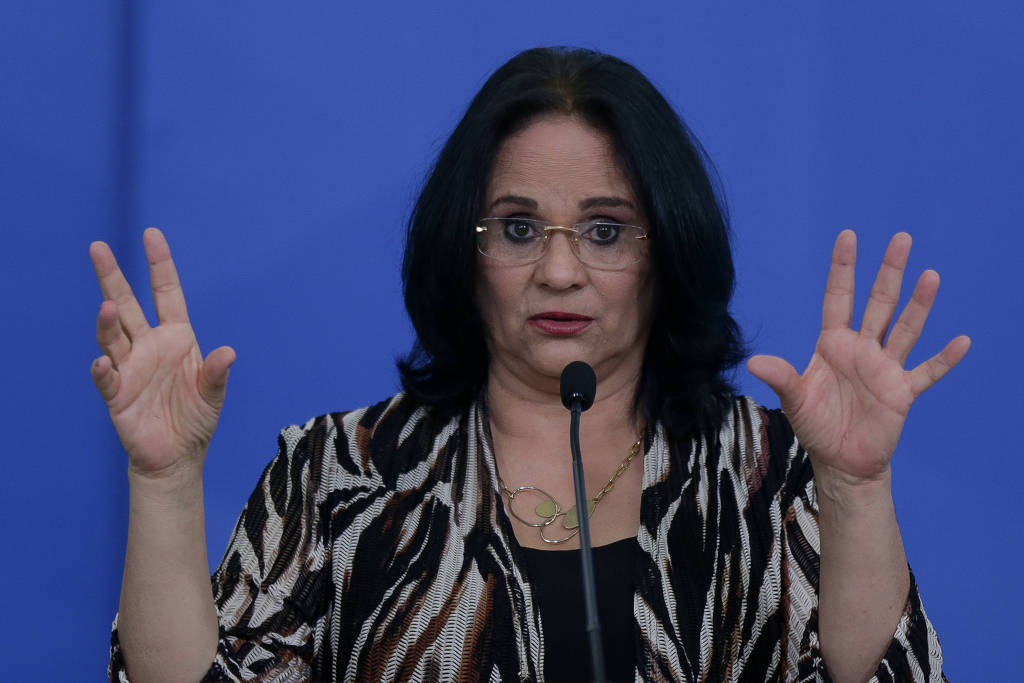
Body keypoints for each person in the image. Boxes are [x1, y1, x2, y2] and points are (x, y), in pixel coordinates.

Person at [93, 47, 968, 682]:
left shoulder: (768, 474)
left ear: (666, 251)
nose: (559, 271)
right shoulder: (339, 474)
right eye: (517, 228)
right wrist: (164, 481)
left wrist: (854, 490)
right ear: (462, 251)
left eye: (604, 229)